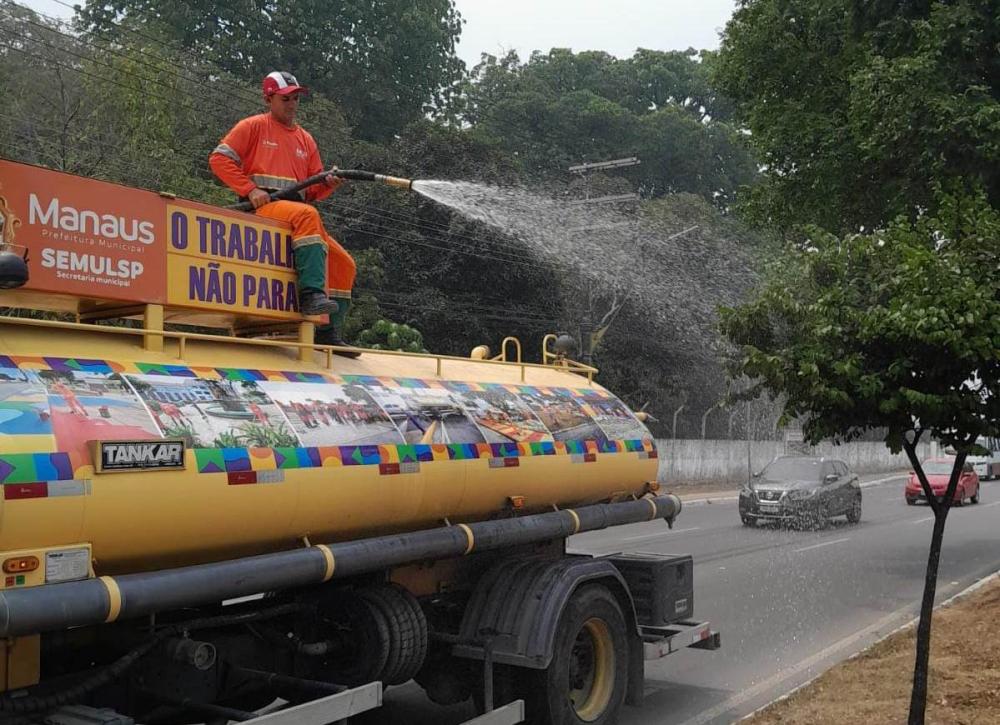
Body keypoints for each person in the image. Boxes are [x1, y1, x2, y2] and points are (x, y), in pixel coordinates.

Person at [210, 70, 359, 357]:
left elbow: (312, 188)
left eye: (296, 98)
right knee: (307, 215)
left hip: (296, 211)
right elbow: (219, 159)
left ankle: (327, 334)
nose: (292, 104)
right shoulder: (252, 126)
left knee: (344, 263)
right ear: (269, 98)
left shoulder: (306, 139)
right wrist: (250, 188)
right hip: (264, 208)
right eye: (285, 98)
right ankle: (311, 296)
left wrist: (329, 183)